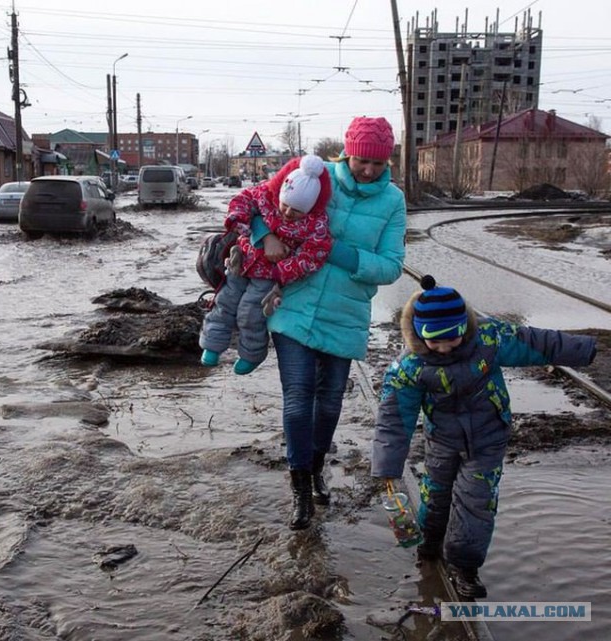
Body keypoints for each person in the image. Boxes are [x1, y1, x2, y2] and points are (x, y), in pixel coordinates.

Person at [372, 275, 597, 599]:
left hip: (488, 437)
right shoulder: (410, 367)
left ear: (464, 327)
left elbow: (537, 342)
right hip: (442, 441)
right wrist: (388, 466)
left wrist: (586, 349)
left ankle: (465, 568)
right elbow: (394, 419)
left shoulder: (489, 339)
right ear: (420, 335)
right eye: (436, 341)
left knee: (476, 501)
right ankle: (430, 546)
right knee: (436, 498)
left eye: (453, 337)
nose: (446, 346)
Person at [252, 116, 407, 530]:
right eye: (361, 161)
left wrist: (333, 252)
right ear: (347, 153)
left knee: (330, 401)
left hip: (347, 313)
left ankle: (317, 464)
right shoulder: (316, 176)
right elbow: (258, 202)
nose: (368, 170)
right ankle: (300, 484)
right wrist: (262, 237)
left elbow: (391, 266)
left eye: (377, 164)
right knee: (299, 396)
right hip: (295, 304)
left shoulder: (392, 201)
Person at [199, 154, 332, 375]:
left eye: (297, 211)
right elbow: (241, 202)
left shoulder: (316, 224)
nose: (288, 213)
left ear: (309, 209)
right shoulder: (265, 195)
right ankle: (211, 346)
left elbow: (315, 255)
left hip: (268, 275)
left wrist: (282, 271)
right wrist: (241, 222)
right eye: (285, 205)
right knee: (224, 302)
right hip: (240, 263)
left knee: (250, 313)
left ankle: (251, 355)